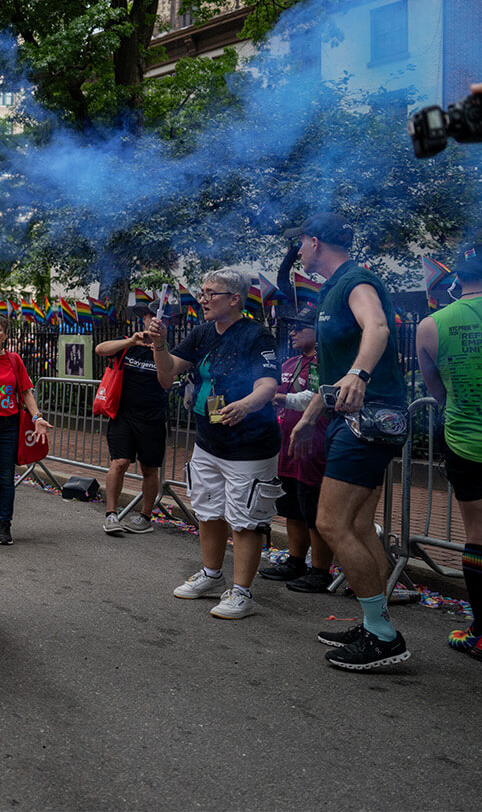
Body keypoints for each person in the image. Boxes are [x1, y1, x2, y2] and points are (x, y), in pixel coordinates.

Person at [288, 213, 411, 670]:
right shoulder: (332, 288)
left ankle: (383, 636)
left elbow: (377, 327)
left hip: (368, 420)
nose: (298, 251)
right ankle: (374, 623)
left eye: (301, 243)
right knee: (358, 526)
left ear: (316, 242)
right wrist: (311, 417)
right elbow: (334, 371)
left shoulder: (356, 280)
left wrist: (360, 373)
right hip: (352, 418)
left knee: (332, 524)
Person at [152, 267, 280, 621]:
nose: (203, 299)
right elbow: (167, 376)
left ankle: (241, 592)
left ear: (235, 299)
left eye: (211, 294)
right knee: (207, 511)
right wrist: (160, 344)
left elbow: (268, 384)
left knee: (244, 520)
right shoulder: (202, 332)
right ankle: (211, 574)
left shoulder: (257, 336)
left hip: (250, 445)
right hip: (208, 441)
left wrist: (246, 404)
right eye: (202, 292)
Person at [415, 236, 482, 660]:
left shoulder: (431, 325)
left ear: (457, 277)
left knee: (480, 536)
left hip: (468, 441)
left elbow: (435, 390)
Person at [260, 304, 334, 592]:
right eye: (291, 326)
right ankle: (295, 561)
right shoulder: (288, 364)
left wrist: (281, 399)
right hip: (287, 447)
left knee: (313, 509)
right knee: (292, 508)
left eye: (299, 327)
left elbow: (315, 397)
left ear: (318, 331)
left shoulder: (325, 363)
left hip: (313, 447)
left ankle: (320, 570)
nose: (292, 331)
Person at [0, 312, 50, 546]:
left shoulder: (14, 360)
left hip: (8, 427)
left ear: (5, 335)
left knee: (6, 479)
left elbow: (26, 392)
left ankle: (4, 527)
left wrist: (37, 417)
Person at [95, 306, 168, 536]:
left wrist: (159, 347)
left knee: (149, 469)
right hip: (123, 415)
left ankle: (145, 516)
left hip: (153, 418)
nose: (155, 322)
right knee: (119, 462)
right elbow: (100, 349)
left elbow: (168, 380)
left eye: (161, 319)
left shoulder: (166, 350)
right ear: (144, 320)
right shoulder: (128, 343)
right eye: (151, 317)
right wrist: (130, 342)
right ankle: (111, 515)